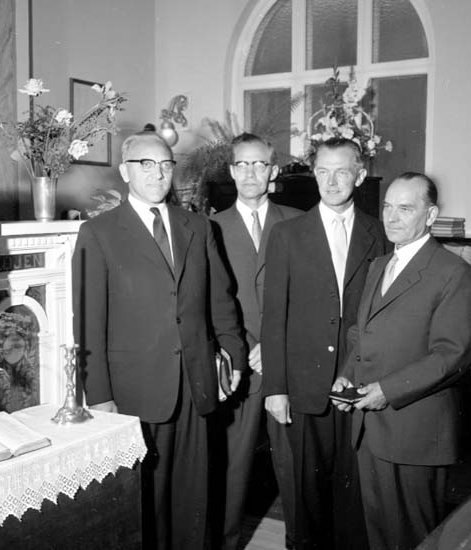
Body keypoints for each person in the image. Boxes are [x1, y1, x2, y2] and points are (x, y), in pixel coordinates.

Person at [72, 131, 247, 550]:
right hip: (134, 391)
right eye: (146, 164)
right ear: (125, 171)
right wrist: (99, 396)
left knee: (194, 498)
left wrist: (234, 356)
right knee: (143, 503)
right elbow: (89, 321)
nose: (158, 173)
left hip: (195, 383)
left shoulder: (198, 227)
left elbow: (220, 300)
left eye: (166, 165)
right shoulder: (98, 233)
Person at [333, 172, 471, 550]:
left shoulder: (453, 273)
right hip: (369, 427)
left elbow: (452, 354)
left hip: (414, 433)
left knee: (413, 539)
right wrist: (347, 375)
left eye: (405, 208)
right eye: (387, 206)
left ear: (430, 216)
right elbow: (360, 332)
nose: (391, 217)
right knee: (378, 534)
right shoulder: (380, 265)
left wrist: (387, 390)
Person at [261, 137, 389, 550]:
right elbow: (273, 317)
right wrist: (276, 388)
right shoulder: (287, 234)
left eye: (342, 172)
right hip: (304, 387)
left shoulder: (379, 233)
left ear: (360, 175)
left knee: (354, 498)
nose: (331, 182)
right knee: (306, 498)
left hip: (358, 384)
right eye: (322, 172)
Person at [211, 133, 301, 550]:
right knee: (232, 468)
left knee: (296, 466)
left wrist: (278, 345)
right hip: (239, 365)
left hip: (287, 365)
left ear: (273, 170)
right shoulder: (210, 227)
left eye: (259, 164)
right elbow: (210, 301)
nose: (250, 173)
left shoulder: (299, 222)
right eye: (242, 164)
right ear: (231, 171)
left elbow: (311, 296)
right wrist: (243, 349)